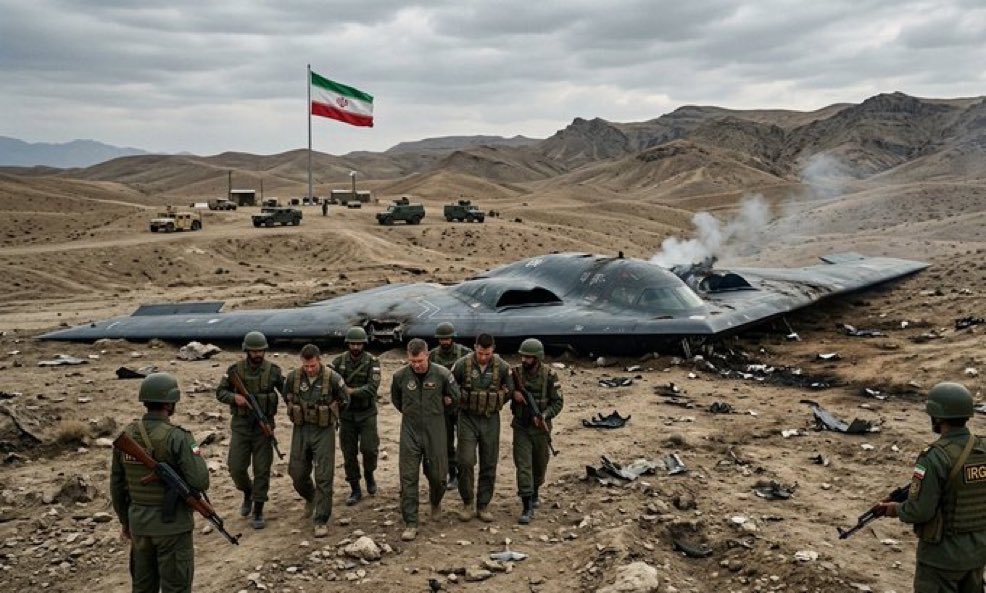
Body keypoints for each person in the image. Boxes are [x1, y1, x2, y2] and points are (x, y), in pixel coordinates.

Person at [877, 382, 986, 593]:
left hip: (941, 558)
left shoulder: (934, 457)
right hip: (977, 554)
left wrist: (895, 509)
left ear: (937, 417)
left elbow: (920, 511)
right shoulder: (982, 449)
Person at [110, 373, 209, 593]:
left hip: (139, 526)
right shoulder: (179, 437)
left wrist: (126, 522)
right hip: (173, 528)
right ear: (169, 404)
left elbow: (117, 485)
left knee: (143, 587)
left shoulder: (128, 435)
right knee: (176, 587)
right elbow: (200, 481)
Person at [391, 338, 460, 541]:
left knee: (439, 475)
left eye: (420, 361)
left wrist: (441, 407)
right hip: (410, 430)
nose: (416, 365)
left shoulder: (442, 375)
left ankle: (435, 501)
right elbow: (397, 400)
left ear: (427, 355)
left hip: (435, 428)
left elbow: (455, 398)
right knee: (408, 477)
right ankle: (411, 522)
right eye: (412, 361)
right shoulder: (400, 377)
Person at [216, 330, 283, 529]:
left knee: (262, 470)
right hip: (241, 426)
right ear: (246, 351)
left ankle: (258, 509)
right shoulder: (234, 371)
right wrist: (234, 398)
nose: (258, 354)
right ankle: (247, 491)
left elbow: (287, 392)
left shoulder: (273, 371)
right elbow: (220, 392)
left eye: (261, 351)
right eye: (254, 351)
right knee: (236, 467)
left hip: (264, 427)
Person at [282, 344, 350, 538]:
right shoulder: (293, 378)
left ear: (319, 360)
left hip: (323, 431)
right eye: (306, 366)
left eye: (313, 365)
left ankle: (321, 519)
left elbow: (345, 400)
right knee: (296, 471)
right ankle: (311, 497)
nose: (310, 369)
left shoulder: (333, 378)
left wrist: (328, 415)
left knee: (324, 475)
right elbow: (286, 396)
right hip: (301, 429)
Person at [450, 333, 513, 522]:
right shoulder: (462, 364)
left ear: (493, 350)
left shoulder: (502, 367)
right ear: (475, 347)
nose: (483, 357)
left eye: (487, 354)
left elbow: (510, 389)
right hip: (467, 418)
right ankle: (467, 502)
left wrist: (494, 401)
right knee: (465, 461)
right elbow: (451, 386)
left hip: (490, 419)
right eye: (480, 353)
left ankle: (483, 504)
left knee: (489, 462)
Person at [511, 338, 563, 525]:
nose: (524, 360)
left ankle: (535, 491)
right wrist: (513, 394)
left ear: (537, 358)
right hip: (521, 427)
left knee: (539, 465)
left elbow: (558, 402)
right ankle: (527, 505)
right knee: (523, 465)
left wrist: (544, 415)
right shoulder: (515, 373)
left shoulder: (550, 375)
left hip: (541, 429)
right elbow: (504, 390)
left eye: (529, 357)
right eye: (523, 356)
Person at [331, 326, 381, 506]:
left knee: (370, 449)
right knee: (349, 453)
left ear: (364, 344)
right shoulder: (338, 362)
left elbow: (372, 388)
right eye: (352, 343)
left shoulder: (372, 362)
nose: (355, 347)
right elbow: (331, 384)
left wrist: (349, 391)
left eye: (359, 344)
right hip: (347, 415)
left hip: (367, 413)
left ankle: (369, 474)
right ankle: (355, 488)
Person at [429, 322, 472, 491]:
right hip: (443, 407)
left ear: (452, 338)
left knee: (464, 441)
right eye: (442, 339)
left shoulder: (465, 354)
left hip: (461, 405)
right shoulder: (432, 356)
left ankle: (463, 473)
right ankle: (452, 473)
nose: (445, 342)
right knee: (446, 442)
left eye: (447, 338)